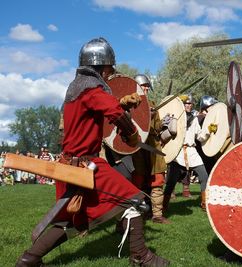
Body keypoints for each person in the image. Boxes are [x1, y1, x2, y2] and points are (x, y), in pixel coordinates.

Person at [16, 37, 169, 267]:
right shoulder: (91, 88)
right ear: (100, 65)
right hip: (86, 167)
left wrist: (121, 103)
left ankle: (28, 260)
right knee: (136, 200)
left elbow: (99, 108)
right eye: (109, 68)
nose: (110, 73)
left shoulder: (77, 88)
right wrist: (131, 134)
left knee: (73, 222)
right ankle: (141, 256)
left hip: (69, 166)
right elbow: (112, 112)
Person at [132, 74, 172, 224]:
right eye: (144, 85)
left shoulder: (153, 104)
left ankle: (157, 215)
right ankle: (137, 214)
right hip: (137, 147)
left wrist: (163, 123)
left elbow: (156, 128)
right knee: (138, 181)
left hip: (153, 147)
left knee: (157, 180)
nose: (147, 88)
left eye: (148, 86)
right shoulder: (129, 104)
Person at [164, 94, 213, 212]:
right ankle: (163, 206)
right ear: (182, 104)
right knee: (171, 181)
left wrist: (209, 131)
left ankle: (204, 203)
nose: (189, 105)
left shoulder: (195, 118)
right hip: (178, 151)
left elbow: (200, 137)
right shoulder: (176, 117)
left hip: (191, 151)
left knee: (204, 177)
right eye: (186, 103)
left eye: (190, 103)